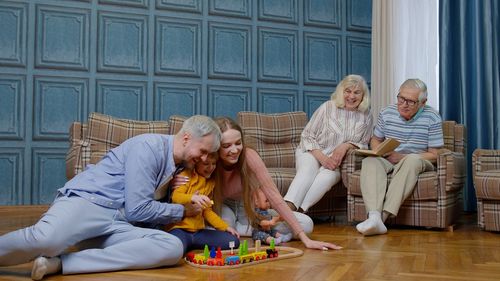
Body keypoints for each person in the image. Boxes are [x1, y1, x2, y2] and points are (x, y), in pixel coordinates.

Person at [0, 115, 222, 280]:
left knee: (171, 247)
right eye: (202, 152)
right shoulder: (149, 147)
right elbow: (139, 208)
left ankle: (60, 264)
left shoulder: (181, 169)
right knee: (46, 240)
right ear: (186, 138)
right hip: (91, 202)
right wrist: (182, 211)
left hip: (118, 223)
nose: (204, 159)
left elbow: (139, 213)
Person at [212, 117, 341, 250]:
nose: (234, 150)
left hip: (248, 208)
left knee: (306, 224)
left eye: (238, 143)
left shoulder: (249, 156)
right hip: (222, 206)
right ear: (215, 146)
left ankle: (248, 230)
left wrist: (306, 240)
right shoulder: (210, 161)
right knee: (225, 233)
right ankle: (248, 230)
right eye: (226, 146)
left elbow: (274, 196)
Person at [355, 78, 444, 236]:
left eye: (410, 101)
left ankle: (382, 219)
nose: (403, 104)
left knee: (411, 160)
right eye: (401, 98)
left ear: (422, 103)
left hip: (417, 161)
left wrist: (402, 157)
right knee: (370, 161)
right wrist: (378, 150)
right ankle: (374, 216)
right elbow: (375, 139)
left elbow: (435, 154)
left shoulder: (432, 117)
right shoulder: (387, 112)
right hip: (388, 158)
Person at [283, 74, 373, 212]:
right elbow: (307, 136)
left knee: (326, 178)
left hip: (335, 162)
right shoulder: (328, 107)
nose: (351, 96)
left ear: (363, 95)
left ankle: (299, 212)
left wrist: (346, 145)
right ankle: (287, 209)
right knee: (308, 171)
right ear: (341, 92)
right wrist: (323, 159)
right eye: (347, 91)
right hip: (312, 152)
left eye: (357, 92)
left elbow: (364, 143)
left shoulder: (366, 115)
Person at [167, 152, 240, 254]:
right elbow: (175, 197)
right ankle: (184, 244)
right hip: (179, 229)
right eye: (206, 164)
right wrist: (192, 197)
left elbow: (207, 211)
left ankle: (189, 244)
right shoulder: (186, 175)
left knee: (233, 241)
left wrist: (225, 227)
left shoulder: (210, 183)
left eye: (213, 164)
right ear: (196, 163)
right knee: (174, 249)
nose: (211, 167)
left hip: (198, 233)